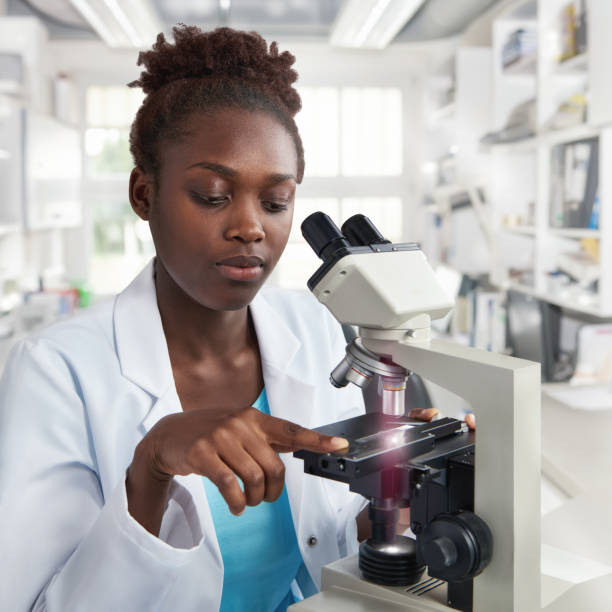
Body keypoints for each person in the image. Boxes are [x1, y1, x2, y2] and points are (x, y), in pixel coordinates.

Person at [0, 25, 438, 612]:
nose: (251, 227)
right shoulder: (55, 371)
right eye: (212, 194)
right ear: (143, 194)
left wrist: (392, 507)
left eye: (276, 202)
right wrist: (150, 471)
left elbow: (320, 544)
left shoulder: (311, 325)